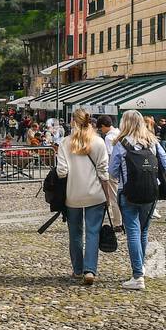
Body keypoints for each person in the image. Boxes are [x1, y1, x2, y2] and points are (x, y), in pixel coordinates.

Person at [109, 109, 166, 291]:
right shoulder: (152, 141)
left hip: (129, 192)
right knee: (143, 231)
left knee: (133, 232)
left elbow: (112, 172)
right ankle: (141, 267)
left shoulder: (121, 144)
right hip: (151, 192)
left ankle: (138, 275)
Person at [54, 109, 110, 286]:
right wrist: (108, 195)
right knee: (93, 232)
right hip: (95, 194)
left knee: (75, 233)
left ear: (73, 121)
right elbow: (103, 172)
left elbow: (61, 172)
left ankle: (78, 269)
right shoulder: (99, 142)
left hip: (73, 194)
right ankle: (89, 270)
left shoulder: (65, 143)